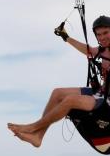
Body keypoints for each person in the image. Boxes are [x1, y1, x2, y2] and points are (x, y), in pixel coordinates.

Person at [7, 15, 110, 147]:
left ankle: (33, 127)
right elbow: (88, 50)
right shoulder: (103, 50)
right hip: (101, 92)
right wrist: (66, 37)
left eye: (105, 33)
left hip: (107, 103)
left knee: (70, 100)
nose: (102, 37)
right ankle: (39, 136)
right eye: (99, 34)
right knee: (58, 93)